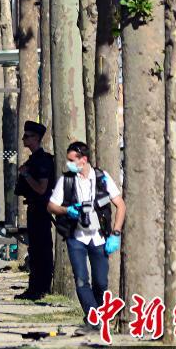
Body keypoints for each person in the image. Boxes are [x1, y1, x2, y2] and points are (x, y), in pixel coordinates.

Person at [48, 141, 126, 335]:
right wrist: (68, 210)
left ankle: (98, 314)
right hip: (76, 237)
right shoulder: (66, 180)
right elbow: (51, 206)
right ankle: (93, 318)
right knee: (82, 280)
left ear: (84, 160)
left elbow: (120, 205)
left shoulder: (102, 177)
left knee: (101, 282)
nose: (69, 164)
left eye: (72, 160)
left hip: (99, 238)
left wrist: (115, 233)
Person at [13, 120, 56, 300]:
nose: (23, 139)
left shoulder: (43, 161)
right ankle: (34, 287)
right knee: (35, 250)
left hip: (41, 209)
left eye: (27, 136)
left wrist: (26, 175)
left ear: (37, 138)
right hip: (33, 208)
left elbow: (41, 188)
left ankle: (40, 288)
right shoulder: (33, 160)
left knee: (41, 250)